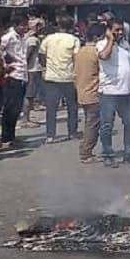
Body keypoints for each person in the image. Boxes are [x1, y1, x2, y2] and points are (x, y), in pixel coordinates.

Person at [97, 20, 130, 166]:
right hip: (109, 92)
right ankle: (108, 155)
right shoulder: (102, 44)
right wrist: (111, 40)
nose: (120, 32)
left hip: (126, 92)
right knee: (107, 125)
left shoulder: (126, 46)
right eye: (116, 30)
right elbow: (104, 56)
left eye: (121, 30)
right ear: (108, 30)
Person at [39, 15, 80, 144]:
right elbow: (76, 59)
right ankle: (72, 132)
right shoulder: (74, 40)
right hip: (69, 77)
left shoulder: (48, 39)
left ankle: (50, 135)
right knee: (72, 107)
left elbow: (41, 55)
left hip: (51, 77)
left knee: (51, 108)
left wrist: (47, 66)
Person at [0, 14, 30, 149]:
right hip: (12, 76)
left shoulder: (23, 37)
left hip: (22, 74)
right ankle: (5, 138)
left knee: (16, 109)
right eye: (22, 25)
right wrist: (6, 62)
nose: (25, 28)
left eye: (25, 25)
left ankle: (11, 137)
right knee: (10, 109)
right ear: (15, 25)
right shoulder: (8, 37)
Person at [74, 24, 103, 163]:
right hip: (93, 92)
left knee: (89, 122)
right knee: (92, 124)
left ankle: (86, 150)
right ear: (97, 37)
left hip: (82, 91)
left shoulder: (81, 51)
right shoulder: (96, 52)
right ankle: (86, 152)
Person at [23, 17, 45, 127]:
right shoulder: (33, 40)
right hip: (32, 69)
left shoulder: (29, 37)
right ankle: (25, 119)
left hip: (32, 69)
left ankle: (27, 117)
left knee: (31, 95)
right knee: (29, 95)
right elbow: (28, 55)